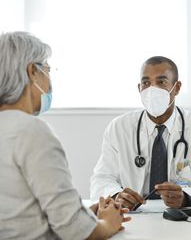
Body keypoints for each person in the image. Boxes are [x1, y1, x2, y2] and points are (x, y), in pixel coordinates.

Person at [0, 31, 130, 239]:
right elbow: (77, 233)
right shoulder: (32, 131)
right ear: (32, 71)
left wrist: (82, 214)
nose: (50, 82)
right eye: (47, 70)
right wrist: (109, 222)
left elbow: (22, 216)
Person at [90, 56, 191, 209]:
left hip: (184, 218)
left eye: (161, 82)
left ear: (176, 88)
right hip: (134, 218)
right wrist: (117, 196)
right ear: (139, 89)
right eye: (146, 83)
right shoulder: (119, 128)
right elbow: (102, 178)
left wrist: (187, 198)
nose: (152, 90)